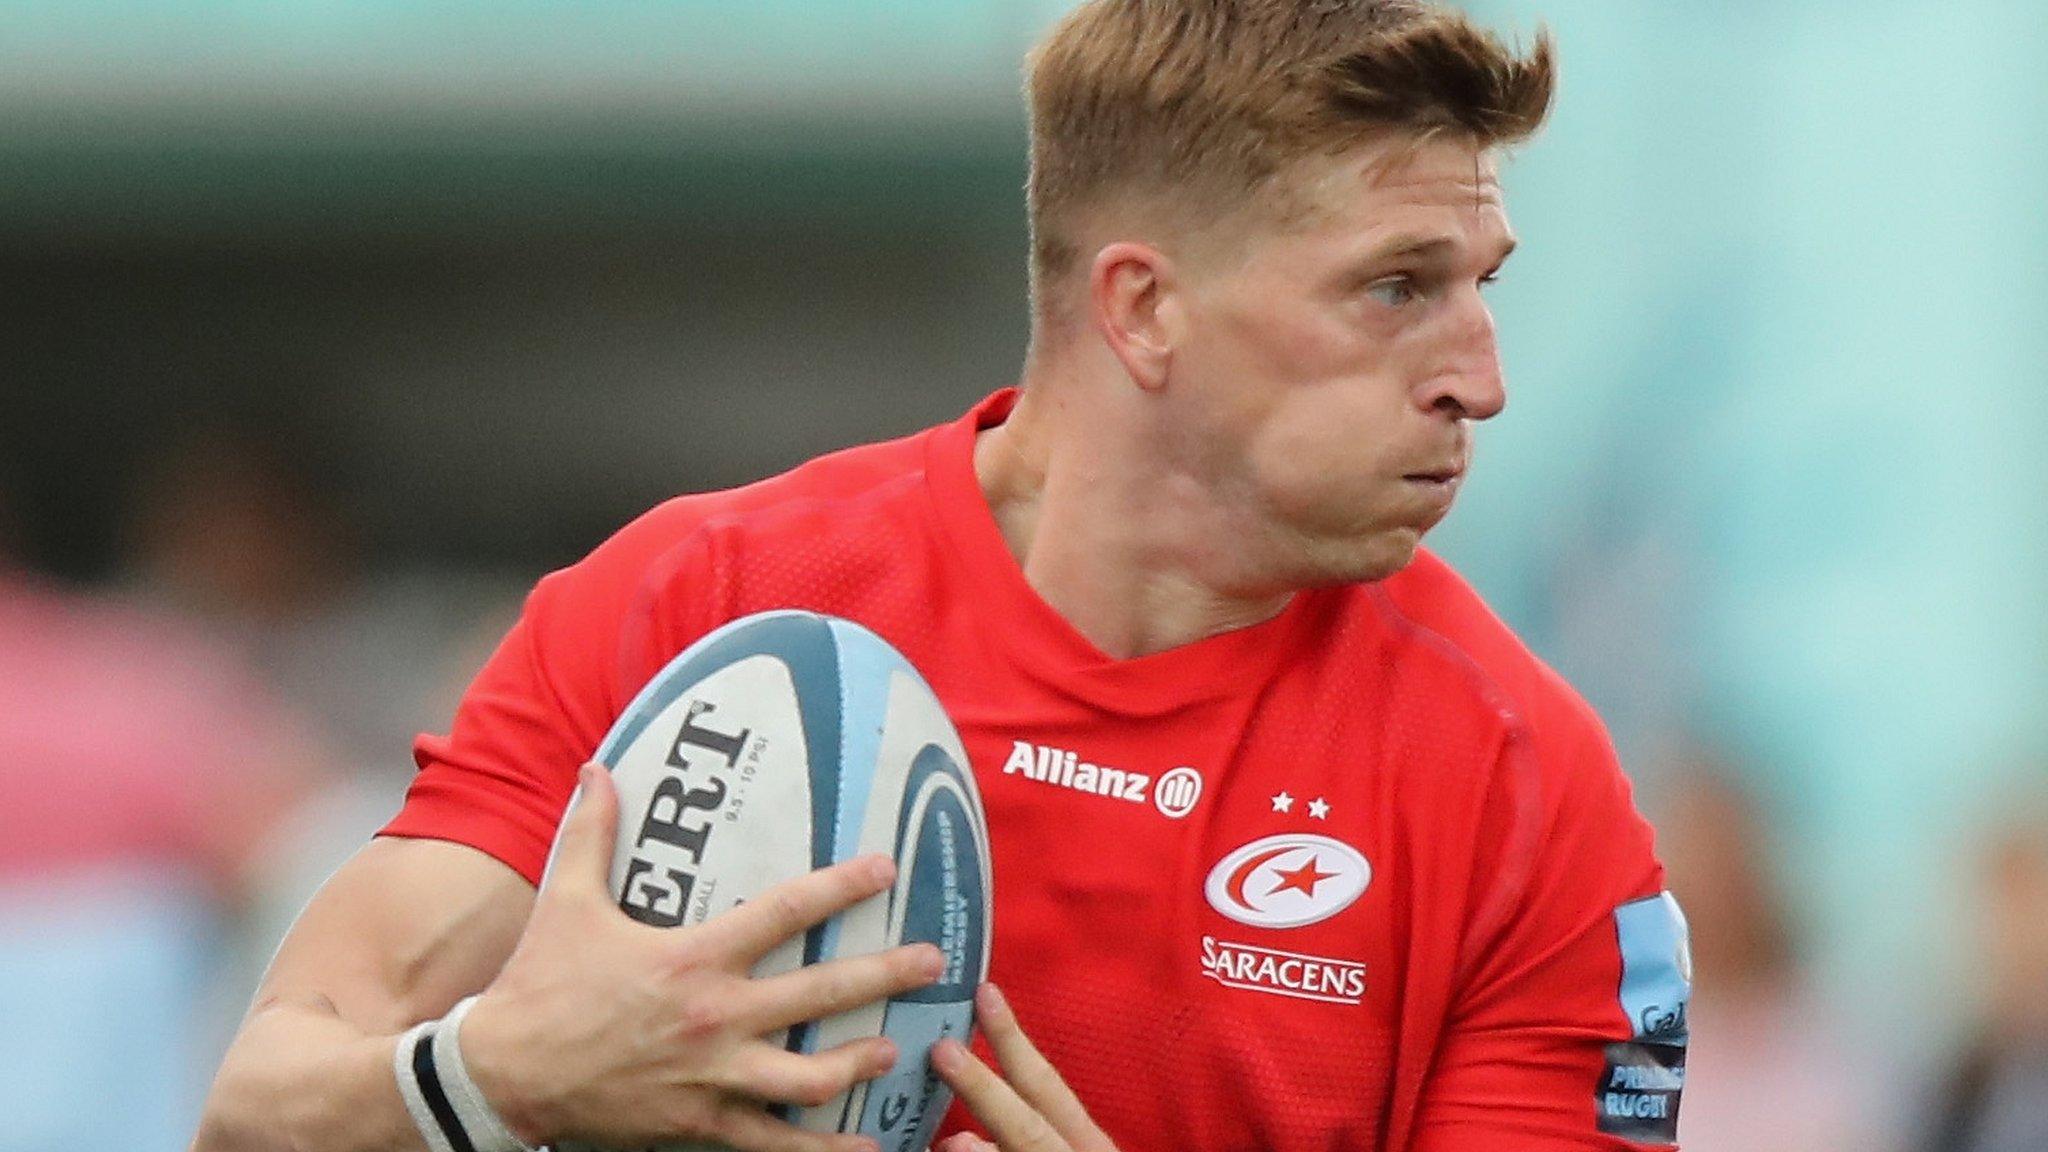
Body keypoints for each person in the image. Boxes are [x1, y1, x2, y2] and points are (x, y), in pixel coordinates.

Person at [196, 3, 1690, 1150]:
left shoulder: (1529, 794)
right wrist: (500, 1074)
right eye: (1397, 287)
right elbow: (257, 1108)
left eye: (1481, 286)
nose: (1481, 378)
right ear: (1144, 308)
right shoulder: (700, 603)